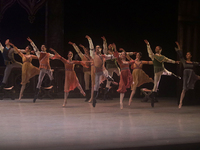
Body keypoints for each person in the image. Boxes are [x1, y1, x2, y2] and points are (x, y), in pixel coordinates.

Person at [144, 39, 179, 107]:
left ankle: (177, 77)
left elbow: (168, 60)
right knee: (156, 85)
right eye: (155, 48)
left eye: (157, 48)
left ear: (160, 50)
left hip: (162, 70)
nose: (156, 49)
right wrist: (148, 45)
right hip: (157, 72)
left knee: (169, 73)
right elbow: (150, 52)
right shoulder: (153, 56)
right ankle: (153, 99)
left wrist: (175, 62)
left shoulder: (162, 57)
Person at [85, 35, 116, 107]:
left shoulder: (103, 56)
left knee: (105, 72)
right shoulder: (93, 55)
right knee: (96, 86)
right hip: (98, 73)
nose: (98, 49)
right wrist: (90, 40)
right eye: (97, 48)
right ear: (95, 49)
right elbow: (91, 48)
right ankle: (94, 99)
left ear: (100, 49)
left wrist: (118, 55)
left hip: (103, 70)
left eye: (99, 48)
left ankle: (109, 77)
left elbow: (111, 56)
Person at [27, 37, 55, 103]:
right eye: (41, 47)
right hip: (42, 69)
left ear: (45, 48)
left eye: (43, 47)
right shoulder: (39, 53)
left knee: (51, 78)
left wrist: (57, 56)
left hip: (48, 69)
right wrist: (31, 42)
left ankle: (55, 89)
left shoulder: (48, 54)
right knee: (39, 82)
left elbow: (54, 56)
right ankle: (35, 96)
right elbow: (35, 48)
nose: (42, 47)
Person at [175, 42, 200, 108]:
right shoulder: (184, 61)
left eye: (188, 54)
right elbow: (180, 54)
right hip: (186, 75)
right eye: (186, 54)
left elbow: (198, 64)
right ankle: (180, 103)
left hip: (192, 75)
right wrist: (179, 46)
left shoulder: (193, 63)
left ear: (190, 56)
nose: (187, 55)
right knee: (184, 89)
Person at [112, 44, 135, 109]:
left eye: (124, 54)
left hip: (128, 75)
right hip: (123, 75)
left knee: (132, 85)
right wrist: (115, 48)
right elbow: (116, 55)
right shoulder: (120, 61)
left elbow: (132, 61)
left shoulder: (128, 61)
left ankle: (130, 100)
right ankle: (121, 102)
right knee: (122, 88)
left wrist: (126, 53)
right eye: (122, 54)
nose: (123, 55)